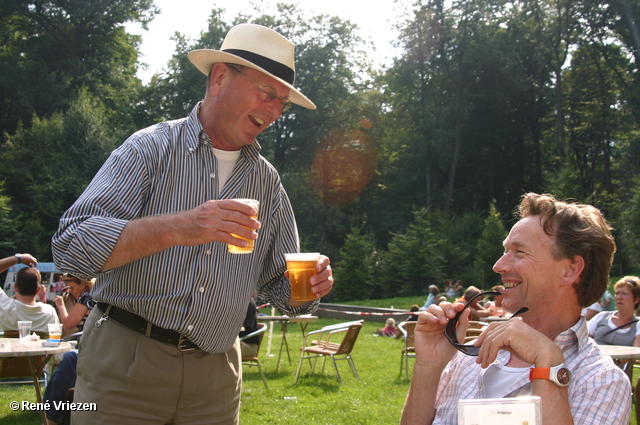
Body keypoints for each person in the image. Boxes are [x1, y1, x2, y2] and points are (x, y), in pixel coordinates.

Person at [51, 23, 333, 424]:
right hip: (126, 364)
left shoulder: (267, 181)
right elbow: (71, 247)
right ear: (219, 77)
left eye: (281, 103)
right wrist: (180, 227)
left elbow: (281, 289)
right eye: (266, 94)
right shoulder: (150, 148)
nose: (273, 112)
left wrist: (312, 286)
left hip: (216, 376)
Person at [401, 193, 631, 425]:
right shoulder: (468, 356)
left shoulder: (601, 380)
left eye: (519, 252)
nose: (498, 265)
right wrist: (429, 366)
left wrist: (549, 364)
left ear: (569, 270)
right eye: (505, 251)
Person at [44, 276, 97, 425]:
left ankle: (50, 418)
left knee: (69, 358)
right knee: (69, 360)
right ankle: (49, 416)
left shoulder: (88, 297)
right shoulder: (104, 296)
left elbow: (67, 324)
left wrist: (60, 305)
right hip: (100, 349)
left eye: (72, 288)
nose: (71, 292)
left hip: (92, 349)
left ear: (83, 284)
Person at [0, 254, 58, 333]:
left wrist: (19, 258)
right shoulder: (49, 313)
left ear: (15, 287)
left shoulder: (3, 305)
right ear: (38, 290)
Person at [588, 276, 640, 347]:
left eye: (625, 294)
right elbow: (582, 342)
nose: (619, 297)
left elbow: (636, 353)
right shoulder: (602, 316)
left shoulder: (638, 325)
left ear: (636, 299)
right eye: (617, 293)